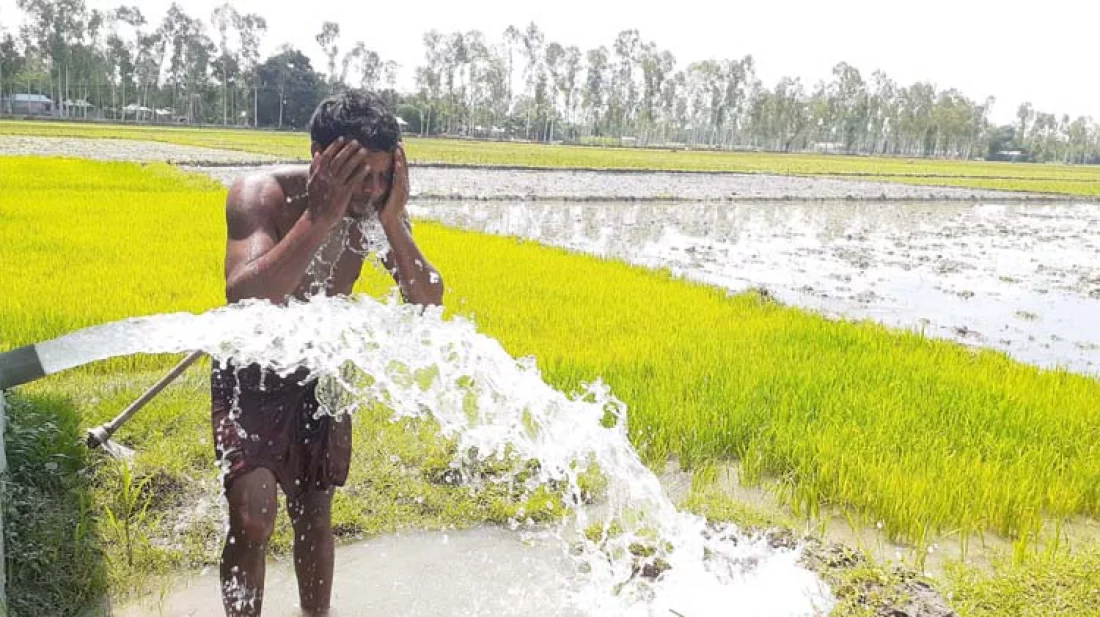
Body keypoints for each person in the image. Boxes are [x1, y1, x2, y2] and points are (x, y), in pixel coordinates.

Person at [210, 89, 444, 617]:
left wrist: (391, 220)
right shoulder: (261, 195)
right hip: (253, 365)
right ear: (320, 160)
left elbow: (428, 299)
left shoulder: (375, 210)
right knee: (252, 516)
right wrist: (318, 217)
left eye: (383, 176)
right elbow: (246, 294)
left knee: (314, 511)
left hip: (320, 365)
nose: (371, 188)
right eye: (358, 175)